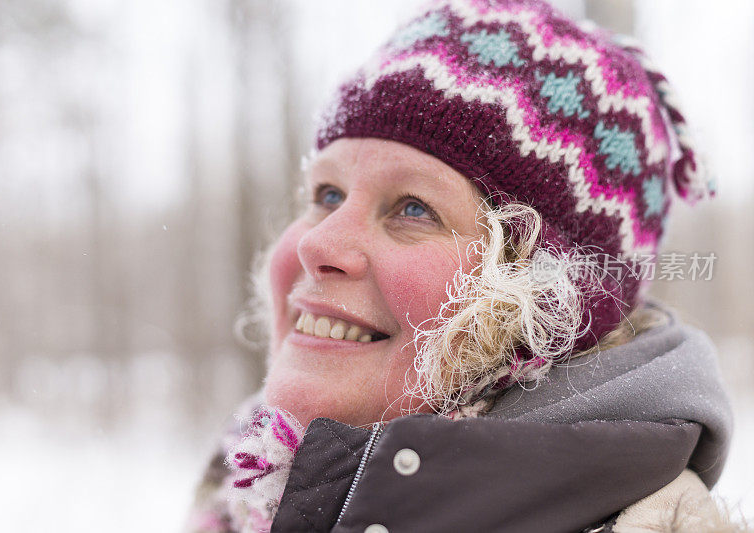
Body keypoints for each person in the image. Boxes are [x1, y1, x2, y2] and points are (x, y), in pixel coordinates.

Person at [186, 0, 744, 531]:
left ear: (550, 299)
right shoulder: (246, 489)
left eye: (413, 208)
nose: (316, 245)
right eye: (328, 195)